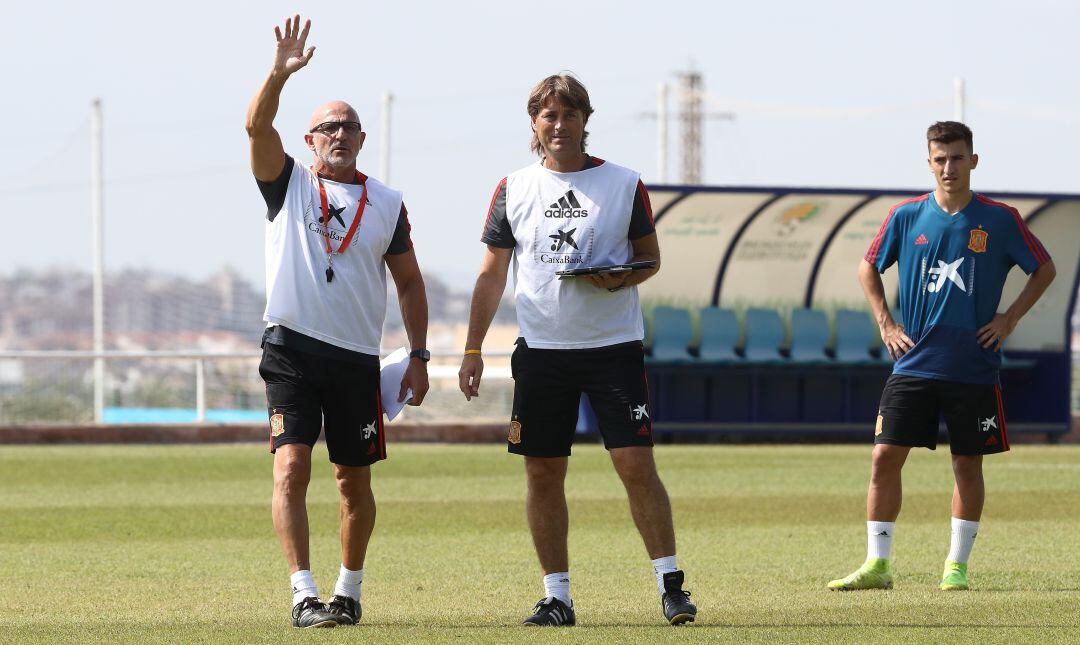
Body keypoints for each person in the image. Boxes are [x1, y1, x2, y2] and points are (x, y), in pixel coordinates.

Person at [458, 73, 698, 627]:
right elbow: (492, 276)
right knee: (543, 472)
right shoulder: (512, 187)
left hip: (612, 349)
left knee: (635, 464)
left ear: (586, 120)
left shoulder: (624, 182)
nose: (559, 125)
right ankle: (557, 597)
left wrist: (618, 280)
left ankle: (671, 585)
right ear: (534, 125)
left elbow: (649, 259)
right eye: (548, 116)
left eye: (568, 115)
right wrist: (473, 348)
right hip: (542, 351)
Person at [245, 15, 430, 628]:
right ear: (310, 139)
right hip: (292, 348)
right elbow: (255, 126)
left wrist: (421, 357)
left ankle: (348, 592)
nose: (339, 134)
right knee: (291, 465)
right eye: (328, 127)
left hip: (355, 356)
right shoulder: (288, 185)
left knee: (354, 481)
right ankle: (303, 594)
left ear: (362, 137)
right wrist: (279, 73)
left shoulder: (388, 203)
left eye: (349, 126)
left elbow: (408, 281)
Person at [829, 121, 1056, 592]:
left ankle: (956, 566)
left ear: (973, 160)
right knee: (883, 457)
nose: (948, 167)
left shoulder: (1000, 219)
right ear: (928, 162)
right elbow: (867, 266)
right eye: (939, 158)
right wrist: (885, 323)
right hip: (913, 363)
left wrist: (1008, 319)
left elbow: (1044, 268)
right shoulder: (905, 216)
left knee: (967, 464)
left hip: (973, 366)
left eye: (956, 157)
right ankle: (878, 565)